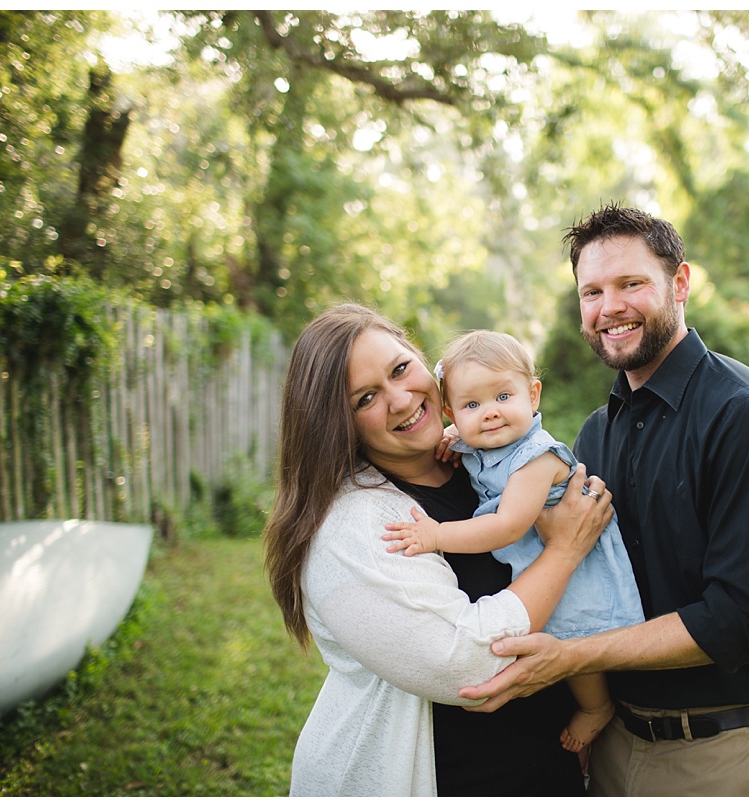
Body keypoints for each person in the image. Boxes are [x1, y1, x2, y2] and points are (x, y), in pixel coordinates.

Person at [459, 203, 749, 797]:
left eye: (631, 284)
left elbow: (736, 623)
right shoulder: (599, 432)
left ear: (679, 283)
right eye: (592, 292)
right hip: (611, 741)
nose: (610, 308)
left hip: (714, 754)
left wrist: (571, 657)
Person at [261, 303, 613, 796]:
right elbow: (465, 664)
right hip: (446, 781)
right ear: (338, 423)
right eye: (366, 398)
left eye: (401, 369)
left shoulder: (476, 462)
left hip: (548, 767)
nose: (402, 400)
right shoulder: (355, 527)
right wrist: (565, 552)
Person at [381, 329, 645, 760]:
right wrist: (452, 437)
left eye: (503, 397)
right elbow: (462, 440)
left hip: (575, 565)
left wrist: (436, 535)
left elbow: (507, 526)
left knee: (571, 636)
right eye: (471, 405)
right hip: (538, 557)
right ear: (450, 411)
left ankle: (596, 707)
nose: (490, 414)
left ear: (533, 395)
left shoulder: (537, 457)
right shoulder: (477, 442)